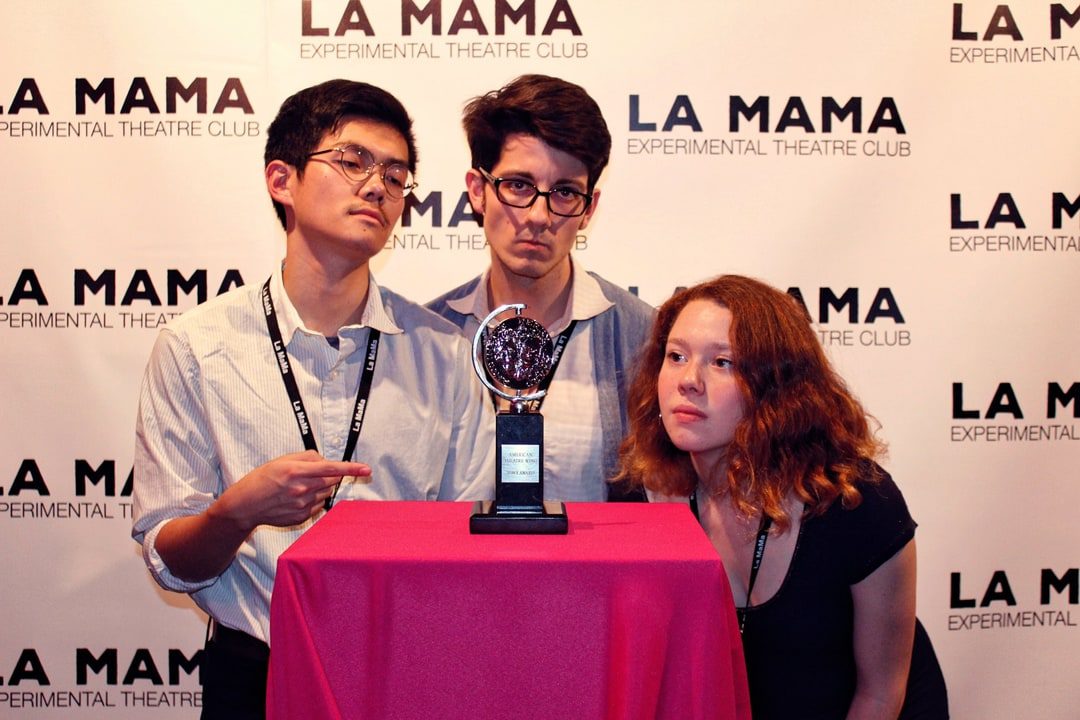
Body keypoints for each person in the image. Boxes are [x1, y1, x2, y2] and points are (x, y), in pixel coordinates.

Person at [131, 79, 495, 720]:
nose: (378, 186)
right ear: (282, 179)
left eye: (396, 174)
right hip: (254, 675)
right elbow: (168, 558)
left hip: (405, 672)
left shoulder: (442, 353)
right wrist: (234, 513)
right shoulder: (195, 347)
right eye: (353, 161)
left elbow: (471, 543)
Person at [616, 275, 948, 720]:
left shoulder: (856, 502)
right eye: (675, 357)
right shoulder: (636, 496)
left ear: (777, 388)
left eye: (722, 363)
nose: (688, 381)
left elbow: (881, 695)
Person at [427, 74, 654, 502]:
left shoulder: (644, 338)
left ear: (589, 209)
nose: (538, 215)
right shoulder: (427, 337)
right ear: (478, 191)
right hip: (457, 571)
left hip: (593, 572)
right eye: (519, 186)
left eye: (565, 192)